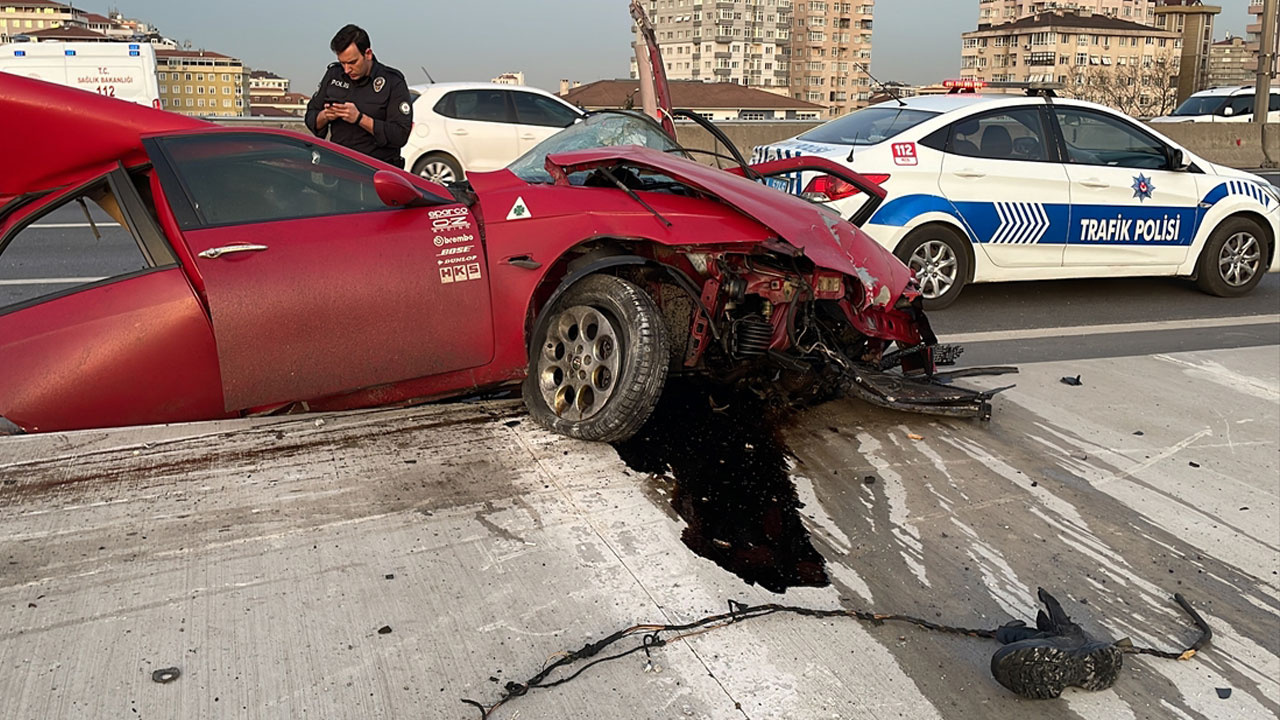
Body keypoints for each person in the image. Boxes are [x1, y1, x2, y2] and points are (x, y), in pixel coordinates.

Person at [305, 24, 412, 168]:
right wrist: (326, 116)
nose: (347, 69)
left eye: (352, 62)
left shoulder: (393, 81)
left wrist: (360, 118)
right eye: (342, 63)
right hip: (340, 170)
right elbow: (310, 117)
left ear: (367, 54)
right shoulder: (334, 75)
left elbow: (400, 135)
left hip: (377, 172)